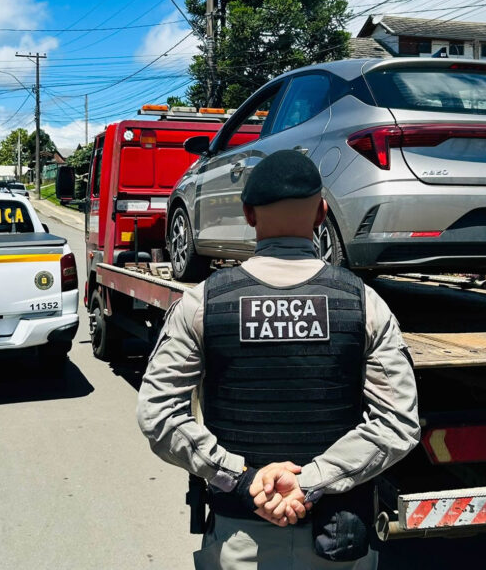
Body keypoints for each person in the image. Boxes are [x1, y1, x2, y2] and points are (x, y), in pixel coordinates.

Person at [137, 149, 420, 569]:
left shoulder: (203, 303)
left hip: (239, 539)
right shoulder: (364, 304)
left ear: (249, 215)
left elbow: (158, 416)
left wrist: (243, 479)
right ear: (322, 213)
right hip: (336, 540)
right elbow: (398, 423)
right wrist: (311, 481)